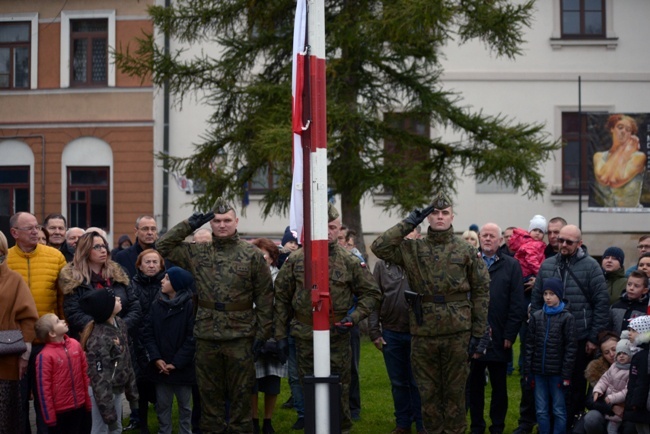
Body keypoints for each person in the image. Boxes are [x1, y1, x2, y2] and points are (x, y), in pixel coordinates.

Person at [371, 192, 490, 434]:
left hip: (457, 333)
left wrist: (478, 332)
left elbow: (481, 291)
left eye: (444, 213)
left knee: (456, 393)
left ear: (452, 217)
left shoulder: (466, 250)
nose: (439, 217)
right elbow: (379, 247)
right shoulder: (412, 249)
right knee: (428, 393)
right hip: (423, 333)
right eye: (434, 213)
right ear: (427, 218)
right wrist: (411, 220)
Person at [156, 197, 274, 434]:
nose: (222, 225)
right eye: (217, 220)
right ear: (211, 223)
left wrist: (263, 334)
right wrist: (189, 224)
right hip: (207, 334)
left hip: (240, 335)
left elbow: (264, 298)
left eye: (227, 220)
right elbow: (162, 246)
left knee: (241, 395)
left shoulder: (251, 255)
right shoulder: (198, 253)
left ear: (236, 221)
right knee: (209, 396)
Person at [275, 204, 381, 434]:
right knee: (307, 389)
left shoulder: (350, 261)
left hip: (337, 335)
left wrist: (354, 317)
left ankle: (340, 428)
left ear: (339, 229)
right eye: (323, 227)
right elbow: (280, 297)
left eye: (332, 227)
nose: (328, 231)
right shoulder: (296, 260)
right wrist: (280, 335)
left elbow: (372, 293)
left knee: (339, 389)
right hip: (304, 335)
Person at [531, 224, 609, 429]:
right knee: (548, 385)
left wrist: (593, 338)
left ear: (579, 244)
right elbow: (537, 299)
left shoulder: (592, 267)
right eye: (560, 240)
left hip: (580, 337)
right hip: (550, 337)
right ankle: (547, 425)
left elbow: (601, 304)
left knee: (574, 385)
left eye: (568, 242)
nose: (563, 245)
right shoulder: (547, 265)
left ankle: (572, 425)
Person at [7, 211, 67, 434]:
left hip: (47, 340)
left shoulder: (55, 257)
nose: (36, 231)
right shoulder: (5, 259)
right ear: (14, 233)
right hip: (15, 341)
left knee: (46, 400)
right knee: (19, 400)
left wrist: (63, 332)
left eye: (37, 226)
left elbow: (63, 299)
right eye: (29, 228)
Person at [468, 223, 526, 434]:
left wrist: (510, 334)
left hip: (501, 336)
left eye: (493, 236)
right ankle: (476, 427)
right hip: (473, 336)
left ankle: (497, 427)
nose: (488, 239)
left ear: (501, 240)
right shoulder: (470, 262)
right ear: (479, 238)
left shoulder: (511, 265)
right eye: (484, 236)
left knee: (499, 387)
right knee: (474, 386)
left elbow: (517, 303)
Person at [369, 226, 424, 434]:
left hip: (418, 332)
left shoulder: (422, 263)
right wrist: (374, 331)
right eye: (403, 234)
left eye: (411, 233)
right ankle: (402, 423)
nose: (406, 238)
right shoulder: (383, 265)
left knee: (418, 382)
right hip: (391, 331)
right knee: (398, 382)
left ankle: (422, 423)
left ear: (418, 236)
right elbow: (375, 298)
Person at [141, 267, 196, 434]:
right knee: (162, 405)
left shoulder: (190, 306)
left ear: (177, 284)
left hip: (182, 367)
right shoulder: (157, 304)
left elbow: (192, 338)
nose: (161, 281)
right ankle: (164, 431)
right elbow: (148, 333)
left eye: (166, 279)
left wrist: (177, 363)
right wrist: (156, 359)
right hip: (161, 367)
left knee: (185, 406)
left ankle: (185, 431)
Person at [59, 231, 141, 340]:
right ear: (85, 250)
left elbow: (135, 306)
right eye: (97, 247)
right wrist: (102, 330)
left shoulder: (118, 273)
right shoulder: (73, 278)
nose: (103, 250)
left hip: (122, 339)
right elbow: (73, 313)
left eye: (104, 246)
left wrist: (120, 327)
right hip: (89, 341)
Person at [79, 289, 138, 434]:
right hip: (103, 393)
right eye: (113, 299)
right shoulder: (99, 340)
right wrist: (108, 412)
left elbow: (126, 360)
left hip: (116, 389)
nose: (119, 298)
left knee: (116, 428)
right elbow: (100, 379)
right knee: (101, 429)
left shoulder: (120, 324)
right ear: (106, 309)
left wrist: (132, 395)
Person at [525, 277, 577, 434]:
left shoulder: (567, 318)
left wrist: (566, 374)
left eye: (552, 294)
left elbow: (570, 348)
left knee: (558, 409)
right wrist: (528, 371)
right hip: (539, 372)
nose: (548, 297)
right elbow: (529, 345)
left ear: (559, 295)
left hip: (557, 374)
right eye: (545, 293)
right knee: (541, 410)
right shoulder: (536, 316)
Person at [0, 230, 38, 434]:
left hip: (5, 361)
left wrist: (25, 353)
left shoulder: (13, 280)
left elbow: (29, 318)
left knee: (7, 420)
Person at [250, 238, 286, 434]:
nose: (261, 257)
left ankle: (268, 421)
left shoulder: (279, 278)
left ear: (272, 258)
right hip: (250, 332)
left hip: (272, 334)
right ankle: (254, 419)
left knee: (272, 381)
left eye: (264, 254)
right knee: (252, 380)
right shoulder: (246, 276)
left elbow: (282, 307)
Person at [34, 313, 92, 434]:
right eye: (57, 321)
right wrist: (49, 417)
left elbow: (85, 375)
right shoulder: (44, 356)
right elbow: (44, 390)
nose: (63, 321)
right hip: (61, 412)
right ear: (52, 333)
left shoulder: (75, 345)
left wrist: (88, 402)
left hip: (80, 406)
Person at [131, 249, 167, 434]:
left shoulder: (167, 285)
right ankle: (142, 424)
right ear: (140, 265)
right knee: (142, 385)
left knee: (161, 388)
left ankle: (164, 425)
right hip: (137, 340)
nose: (152, 265)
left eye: (155, 262)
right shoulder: (132, 285)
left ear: (161, 265)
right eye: (147, 262)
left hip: (161, 340)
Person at [593, 114, 647, 208]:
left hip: (633, 215)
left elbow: (615, 180)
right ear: (612, 129)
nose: (623, 132)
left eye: (628, 130)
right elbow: (603, 178)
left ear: (631, 135)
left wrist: (625, 152)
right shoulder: (599, 156)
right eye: (620, 127)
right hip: (606, 215)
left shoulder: (638, 157)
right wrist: (622, 150)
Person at [592, 338, 632, 434]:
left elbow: (628, 390)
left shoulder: (632, 370)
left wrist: (612, 398)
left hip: (623, 407)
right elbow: (604, 379)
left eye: (624, 353)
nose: (620, 356)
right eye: (619, 353)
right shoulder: (614, 366)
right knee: (598, 422)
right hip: (609, 407)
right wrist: (597, 389)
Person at [623, 315, 650, 433]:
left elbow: (642, 381)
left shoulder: (643, 356)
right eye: (629, 330)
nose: (629, 333)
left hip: (641, 405)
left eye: (633, 331)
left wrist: (634, 403)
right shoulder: (638, 353)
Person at [608, 271, 649, 336]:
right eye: (629, 284)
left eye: (636, 286)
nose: (631, 288)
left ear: (644, 290)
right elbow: (608, 327)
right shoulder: (616, 306)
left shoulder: (646, 309)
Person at [509, 215, 547, 284]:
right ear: (530, 231)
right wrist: (541, 273)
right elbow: (531, 260)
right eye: (535, 230)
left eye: (540, 231)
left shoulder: (537, 244)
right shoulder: (531, 244)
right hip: (527, 274)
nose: (537, 233)